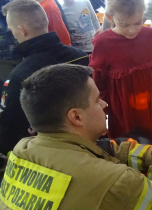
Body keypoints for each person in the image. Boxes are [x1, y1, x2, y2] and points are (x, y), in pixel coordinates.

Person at [0, 63, 152, 209]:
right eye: (97, 99)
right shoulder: (114, 181)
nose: (105, 104)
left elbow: (102, 149)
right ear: (76, 117)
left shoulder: (22, 149)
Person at [0, 0, 89, 156]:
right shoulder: (80, 57)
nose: (11, 32)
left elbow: (10, 130)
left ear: (21, 30)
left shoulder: (19, 75)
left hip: (46, 152)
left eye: (11, 29)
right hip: (85, 139)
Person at [89, 0, 152, 139]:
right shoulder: (102, 42)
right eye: (124, 24)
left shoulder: (150, 35)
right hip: (121, 109)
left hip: (150, 103)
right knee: (126, 143)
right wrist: (105, 109)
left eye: (138, 22)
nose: (132, 30)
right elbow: (99, 82)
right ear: (110, 17)